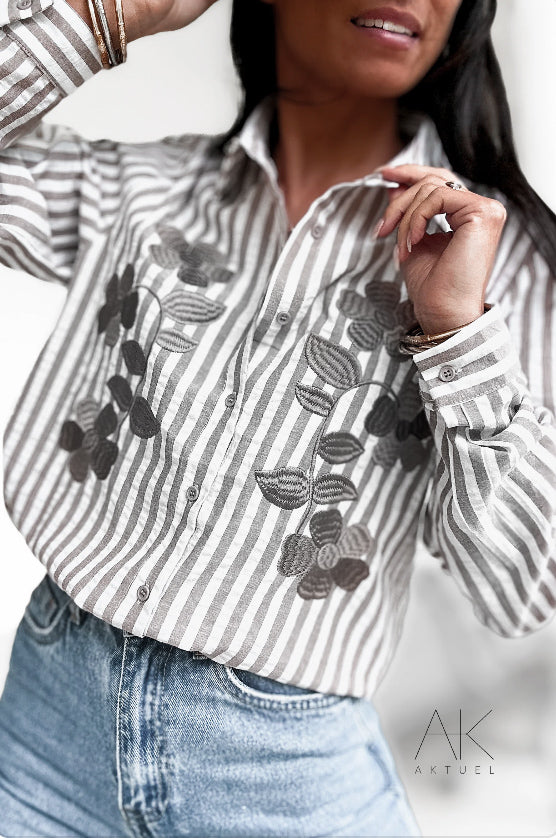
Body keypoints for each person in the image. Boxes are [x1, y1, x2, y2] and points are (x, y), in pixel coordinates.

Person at [0, 0, 554, 835]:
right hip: (44, 745)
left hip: (285, 790)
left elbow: (522, 588)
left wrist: (457, 336)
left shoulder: (499, 262)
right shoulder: (141, 189)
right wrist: (108, 15)